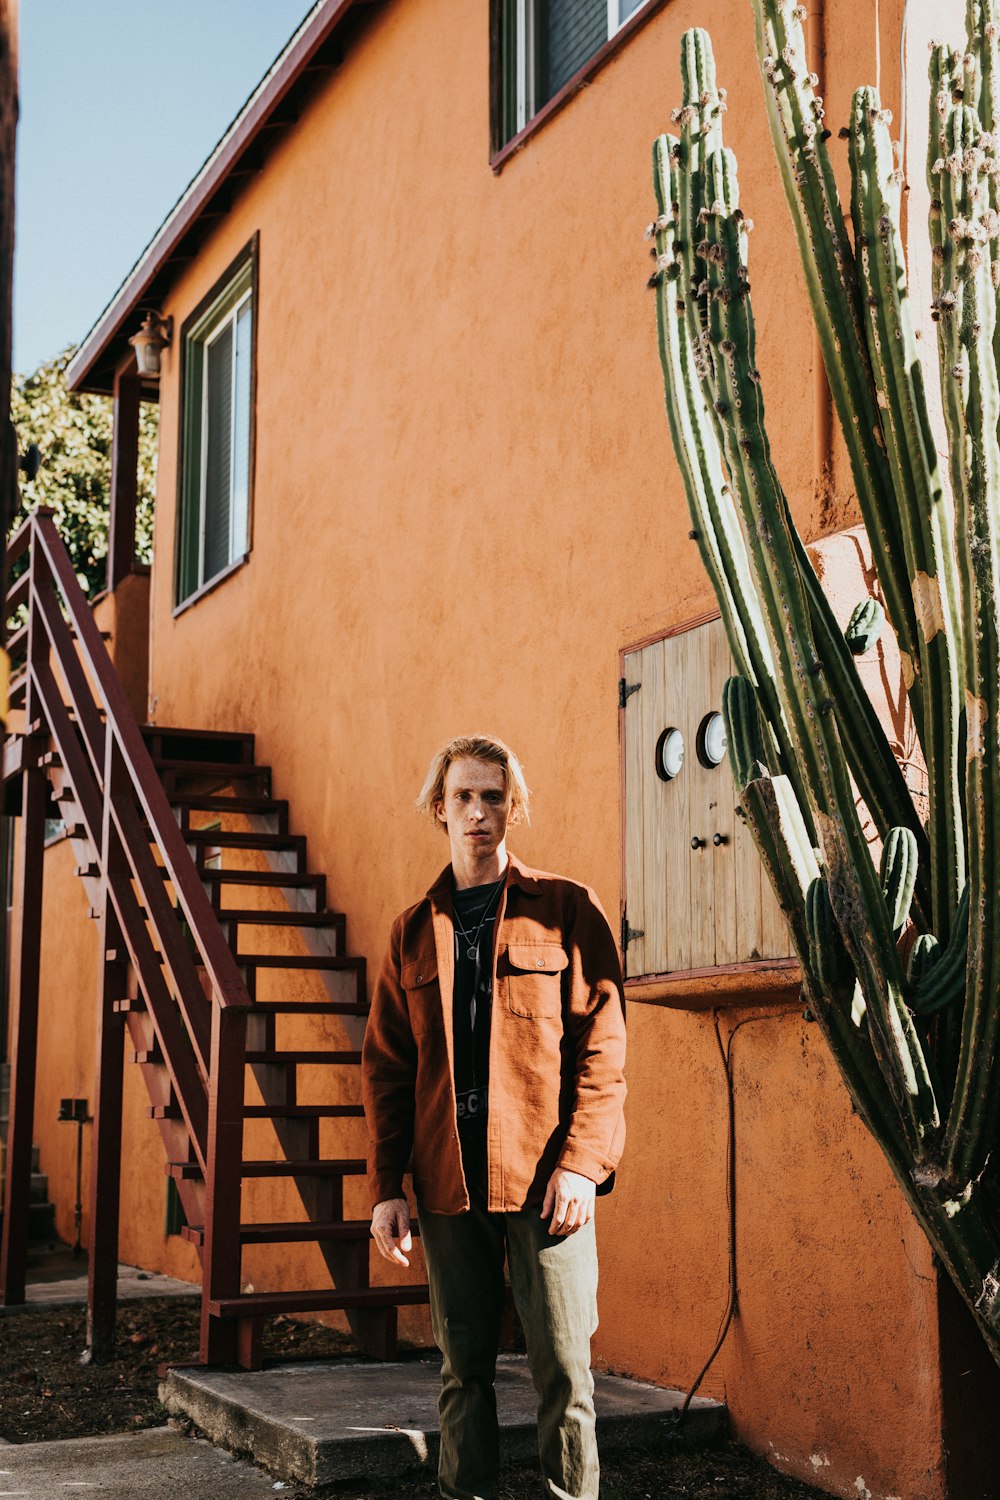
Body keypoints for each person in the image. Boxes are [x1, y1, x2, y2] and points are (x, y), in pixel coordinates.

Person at [362, 733, 626, 1500]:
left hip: (547, 1184)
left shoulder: (568, 910)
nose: (478, 811)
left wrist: (582, 1163)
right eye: (463, 797)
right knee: (462, 1371)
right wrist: (388, 1185)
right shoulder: (410, 932)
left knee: (566, 1370)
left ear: (514, 806)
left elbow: (603, 1049)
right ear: (438, 809)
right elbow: (386, 1070)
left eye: (493, 795)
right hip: (449, 1190)